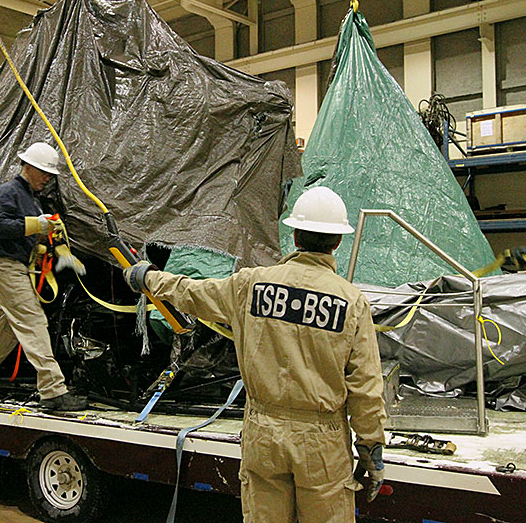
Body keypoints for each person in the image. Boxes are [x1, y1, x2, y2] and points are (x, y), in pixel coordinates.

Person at [123, 186, 387, 522]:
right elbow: (365, 386)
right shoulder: (351, 302)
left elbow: (191, 292)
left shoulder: (251, 285)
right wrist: (370, 448)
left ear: (294, 236)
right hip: (321, 443)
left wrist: (148, 278)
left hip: (264, 435)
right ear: (337, 241)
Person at [0, 142, 87, 411]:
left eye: (50, 175)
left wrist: (53, 247)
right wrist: (36, 225)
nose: (47, 178)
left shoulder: (31, 198)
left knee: (8, 330)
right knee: (32, 321)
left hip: (19, 266)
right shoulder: (7, 192)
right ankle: (53, 391)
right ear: (28, 166)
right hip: (6, 266)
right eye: (44, 172)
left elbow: (29, 231)